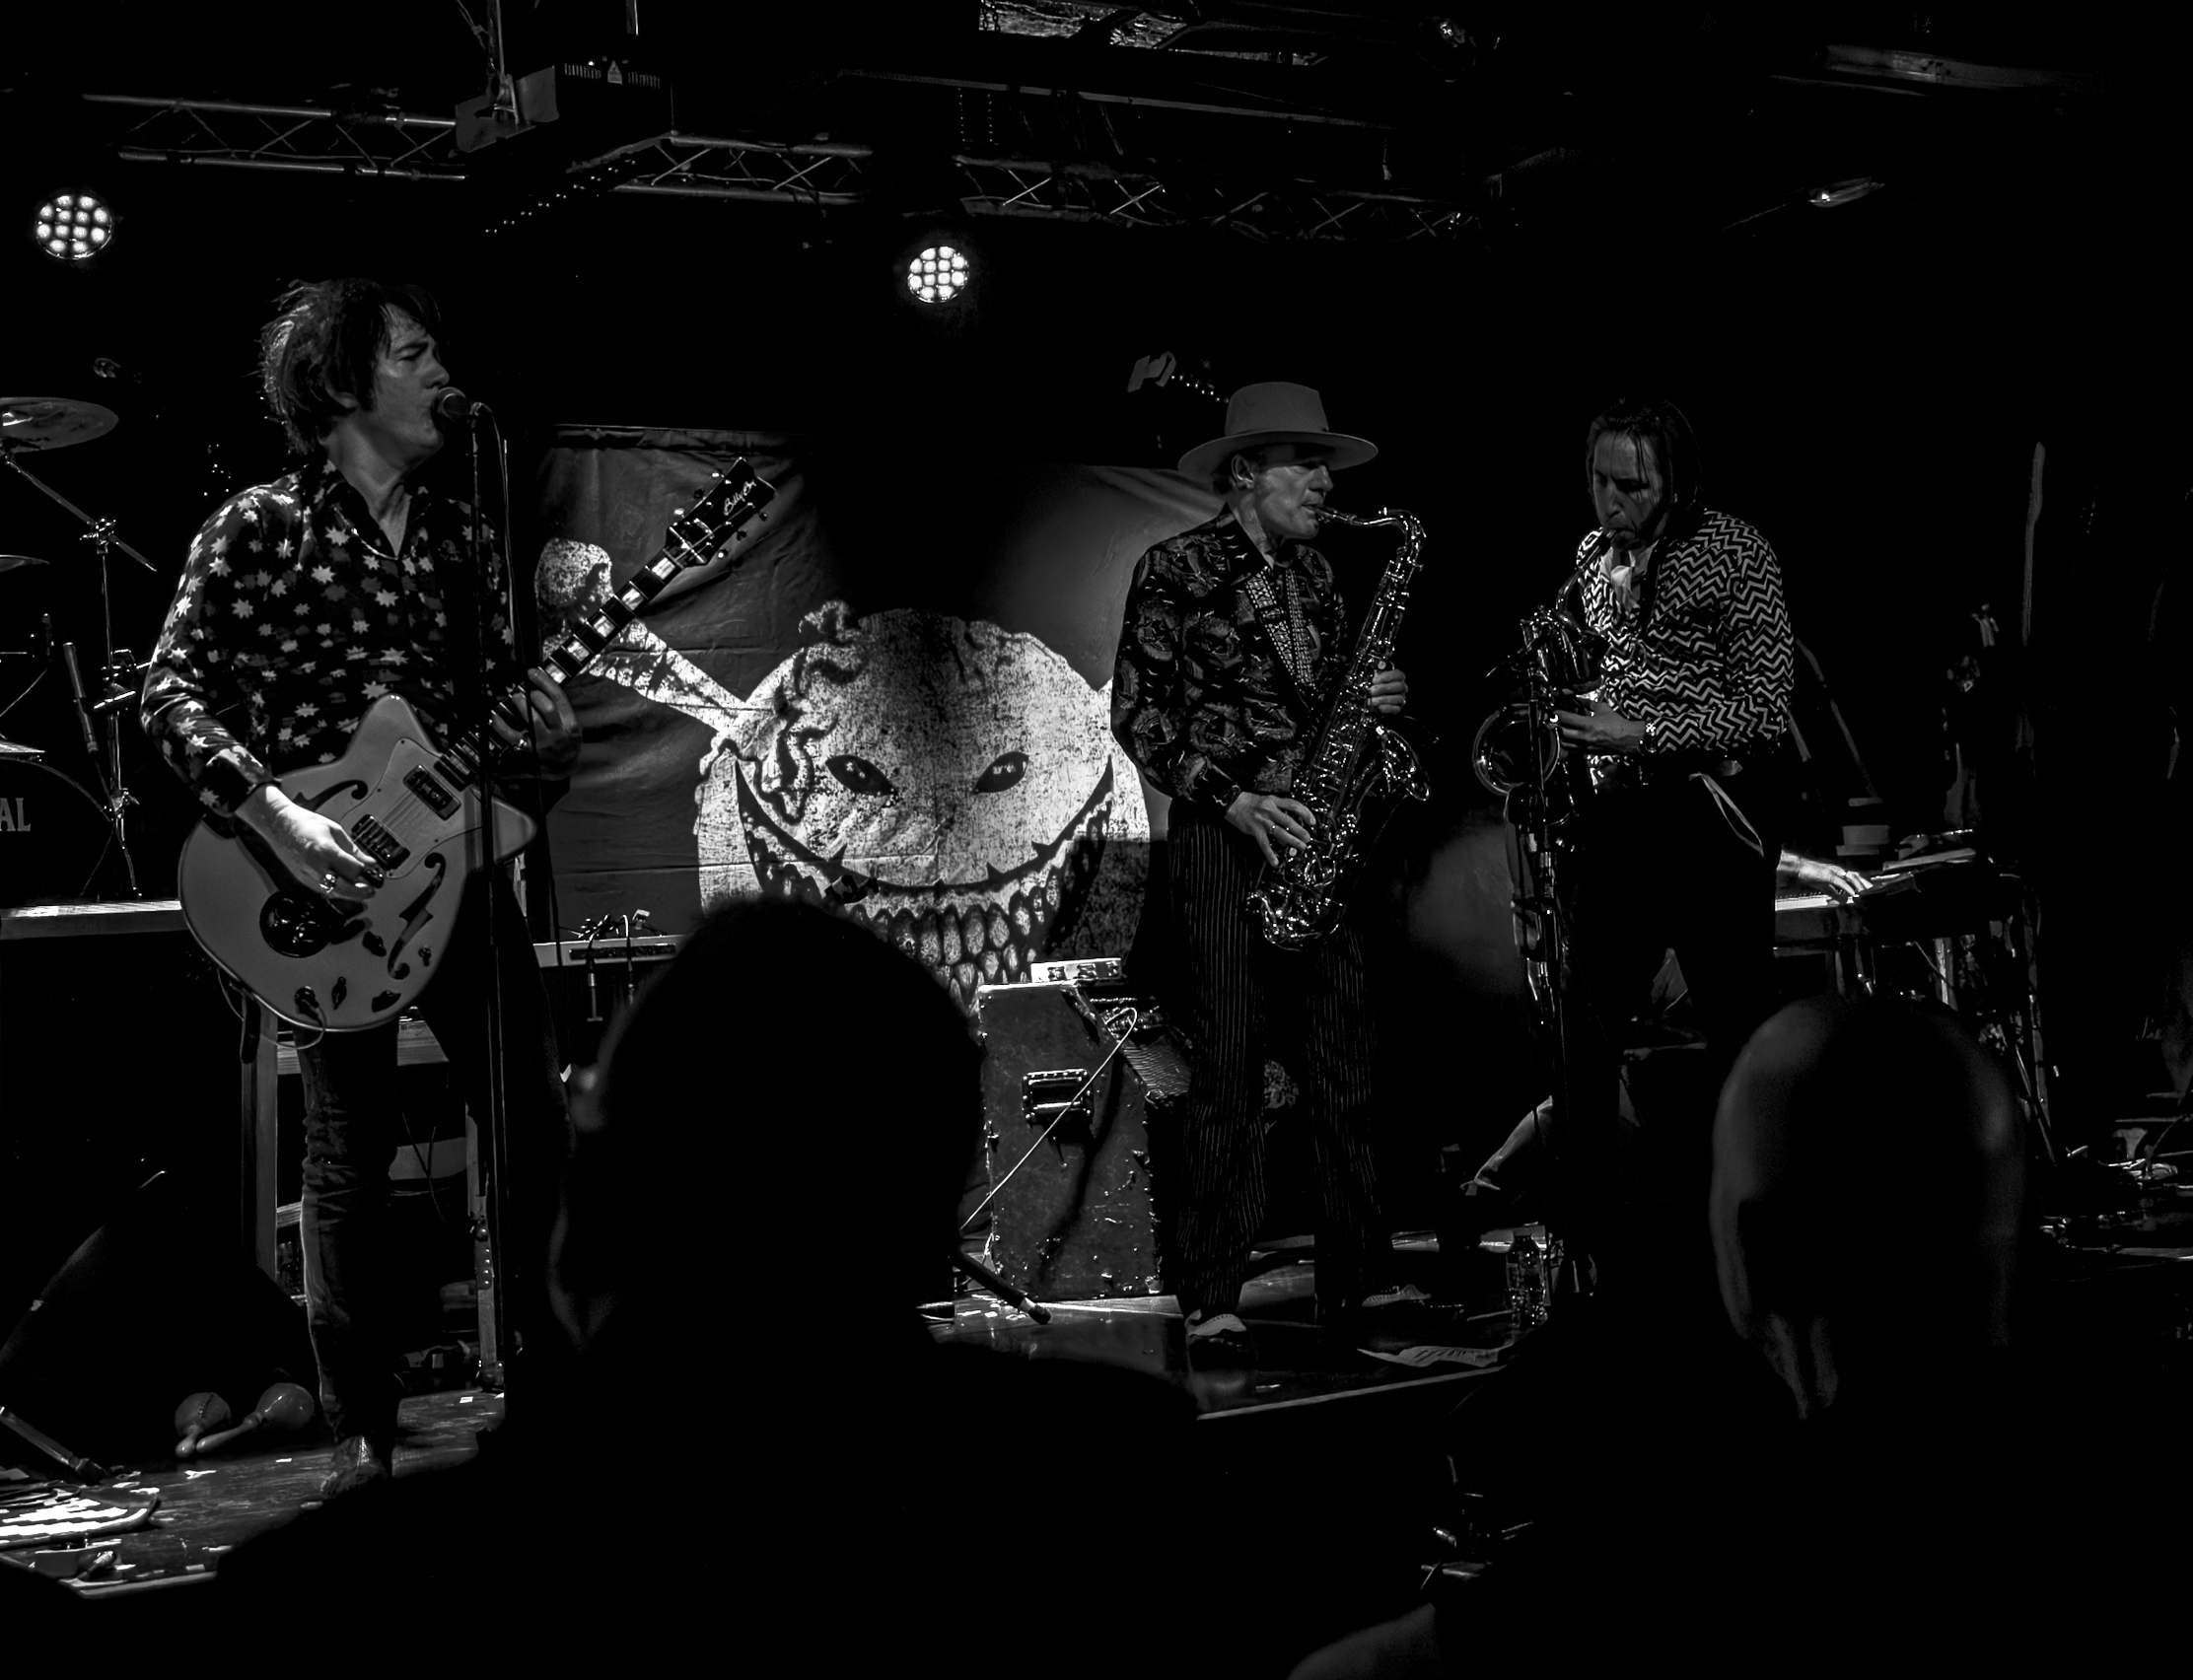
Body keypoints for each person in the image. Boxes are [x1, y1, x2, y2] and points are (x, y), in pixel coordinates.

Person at [140, 278, 581, 1496]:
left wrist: (549, 738)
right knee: (348, 1156)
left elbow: (507, 750)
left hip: (451, 882)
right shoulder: (258, 527)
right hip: (324, 889)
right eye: (414, 353)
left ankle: (552, 1398)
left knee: (535, 1129)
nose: (444, 372)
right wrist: (275, 816)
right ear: (341, 384)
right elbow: (168, 696)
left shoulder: (464, 536)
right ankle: (363, 1434)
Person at [1111, 382, 1414, 1357]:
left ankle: (1361, 1282)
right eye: (1307, 464)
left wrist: (1377, 698)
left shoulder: (1322, 579)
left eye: (1324, 466)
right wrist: (1234, 800)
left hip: (1318, 836)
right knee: (1231, 1072)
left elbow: (1330, 706)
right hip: (1226, 835)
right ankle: (1212, 1296)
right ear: (1247, 470)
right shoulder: (1175, 567)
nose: (1324, 484)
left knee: (1345, 1067)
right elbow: (1137, 715)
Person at [1530, 397, 1796, 1278]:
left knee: (1738, 1027)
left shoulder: (1738, 552)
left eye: (1630, 485)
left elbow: (1762, 711)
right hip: (1619, 816)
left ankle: (1763, 1233)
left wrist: (1639, 734)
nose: (1607, 501)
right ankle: (1587, 1242)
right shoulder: (1588, 558)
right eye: (1597, 480)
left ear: (1675, 481)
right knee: (1582, 1025)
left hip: (1710, 816)